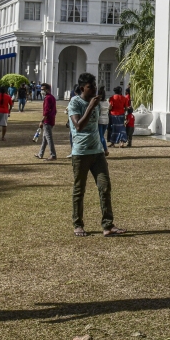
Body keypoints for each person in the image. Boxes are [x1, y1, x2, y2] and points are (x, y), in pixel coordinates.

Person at [67, 73, 123, 237]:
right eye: (90, 86)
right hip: (81, 153)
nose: (94, 89)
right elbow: (79, 126)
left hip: (97, 152)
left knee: (105, 187)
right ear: (82, 88)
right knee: (79, 190)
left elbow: (97, 127)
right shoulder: (75, 102)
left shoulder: (97, 103)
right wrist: (90, 107)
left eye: (94, 86)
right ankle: (78, 225)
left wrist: (103, 146)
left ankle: (108, 225)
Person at [35, 83, 57, 160]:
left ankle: (53, 154)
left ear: (47, 90)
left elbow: (46, 111)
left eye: (43, 89)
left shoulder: (47, 98)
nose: (41, 91)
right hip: (51, 119)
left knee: (48, 138)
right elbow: (55, 110)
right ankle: (40, 153)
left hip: (47, 120)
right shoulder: (52, 97)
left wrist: (42, 121)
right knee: (45, 138)